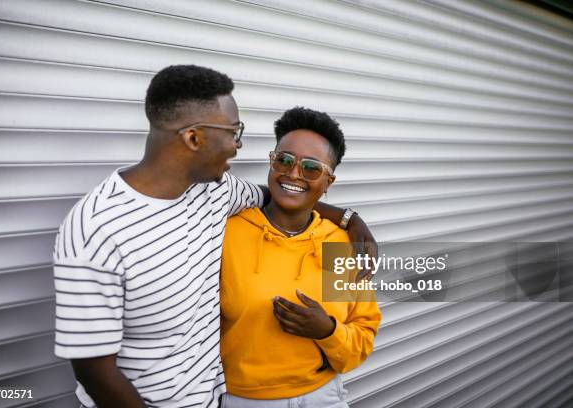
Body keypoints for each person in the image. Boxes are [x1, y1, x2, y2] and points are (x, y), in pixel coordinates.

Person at [53, 65, 376, 408]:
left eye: (311, 167)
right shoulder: (95, 227)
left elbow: (284, 196)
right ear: (194, 138)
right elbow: (91, 370)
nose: (237, 146)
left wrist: (349, 219)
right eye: (234, 132)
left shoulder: (218, 192)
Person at [220, 107, 381, 407]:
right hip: (245, 399)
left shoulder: (341, 243)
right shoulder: (227, 234)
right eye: (284, 160)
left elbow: (362, 337)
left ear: (328, 182)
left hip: (323, 397)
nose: (293, 173)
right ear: (271, 162)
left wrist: (328, 332)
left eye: (311, 168)